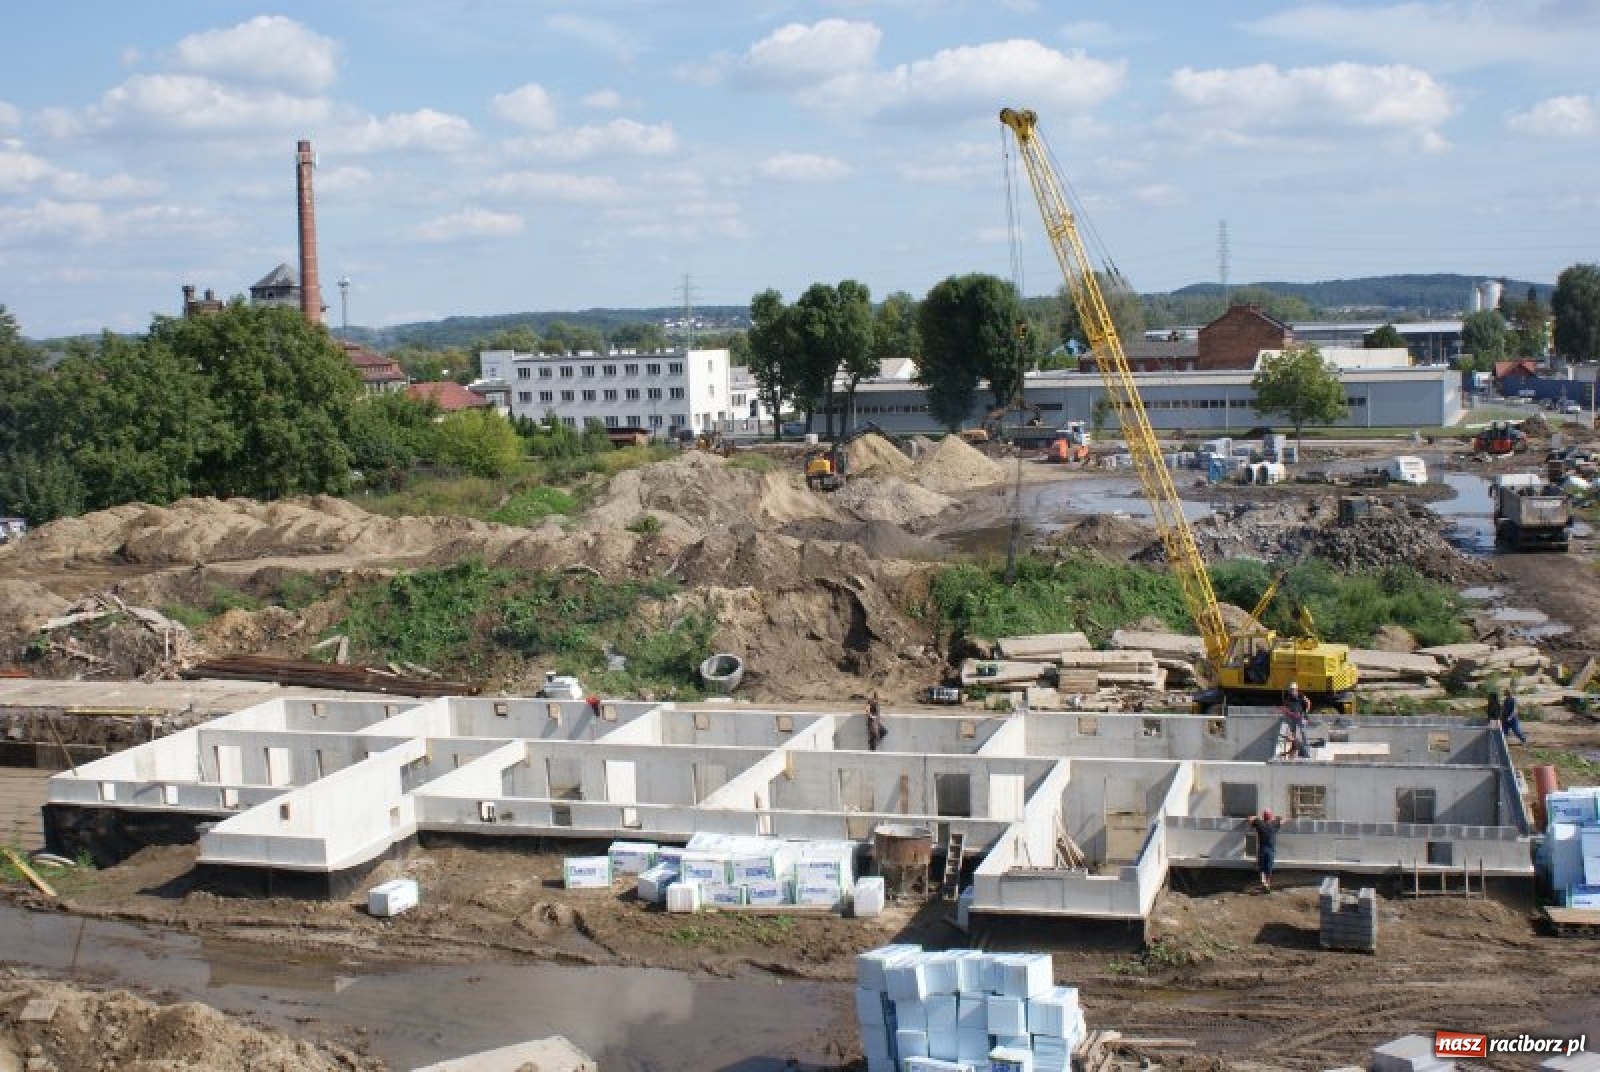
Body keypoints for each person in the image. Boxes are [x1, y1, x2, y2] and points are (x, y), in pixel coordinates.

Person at [1248, 809, 1285, 891]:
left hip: (1262, 849)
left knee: (1261, 867)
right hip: (1270, 850)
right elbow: (1283, 820)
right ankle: (1267, 884)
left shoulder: (1259, 823)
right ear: (1271, 816)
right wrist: (1277, 818)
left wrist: (1256, 817)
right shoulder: (1274, 823)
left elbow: (1250, 819)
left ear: (1263, 816)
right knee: (1269, 868)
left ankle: (1263, 882)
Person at [1282, 682, 1311, 758]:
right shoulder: (1287, 697)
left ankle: (1307, 752)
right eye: (1291, 690)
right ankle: (1294, 748)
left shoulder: (1301, 696)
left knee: (1304, 733)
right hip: (1292, 718)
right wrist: (1287, 714)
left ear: (1296, 689)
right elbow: (1286, 706)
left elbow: (1308, 702)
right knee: (1293, 734)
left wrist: (1306, 712)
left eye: (1293, 690)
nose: (1292, 691)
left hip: (1300, 717)